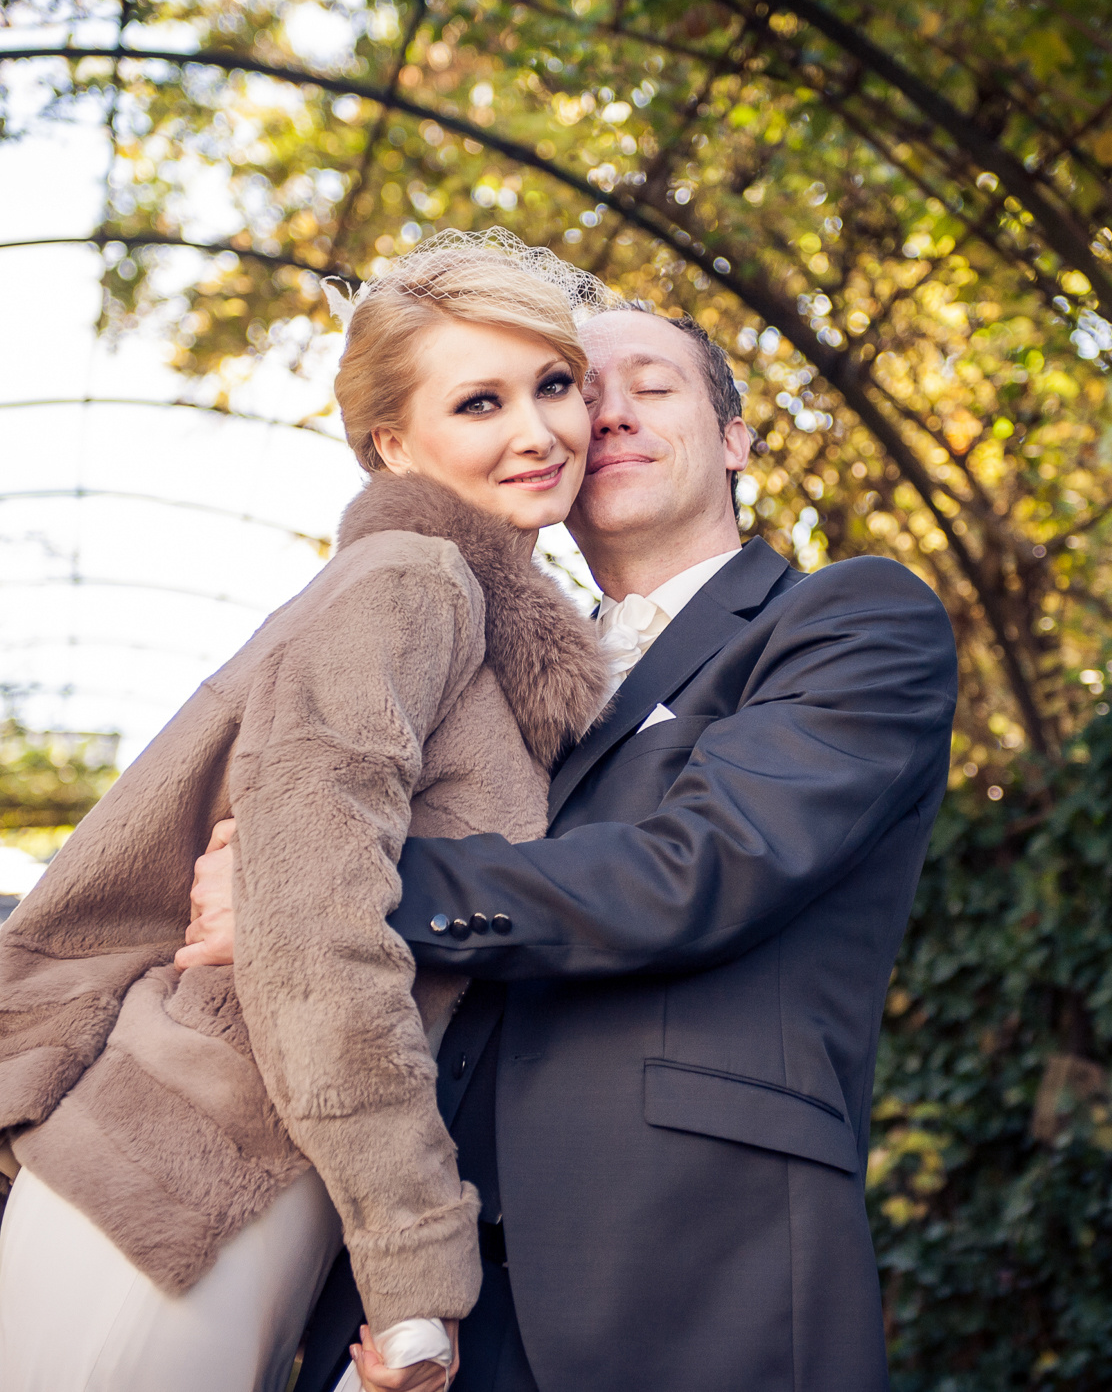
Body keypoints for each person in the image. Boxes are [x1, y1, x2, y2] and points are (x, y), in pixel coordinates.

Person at [184, 305, 961, 1392]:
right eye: (577, 392)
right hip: (432, 1303)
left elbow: (699, 867)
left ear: (735, 440)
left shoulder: (854, 619)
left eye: (653, 385)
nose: (609, 414)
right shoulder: (484, 669)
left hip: (693, 1277)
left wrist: (325, 889)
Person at [0, 234, 622, 1392]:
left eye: (554, 384)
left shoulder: (474, 621)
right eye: (480, 402)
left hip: (246, 1191)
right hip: (181, 1190)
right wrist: (416, 1256)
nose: (537, 431)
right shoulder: (412, 583)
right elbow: (314, 924)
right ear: (393, 443)